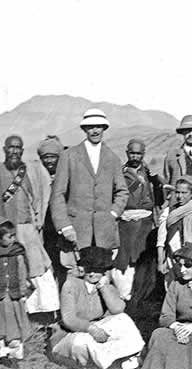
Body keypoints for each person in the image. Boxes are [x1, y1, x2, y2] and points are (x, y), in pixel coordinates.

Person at [50, 247, 145, 369]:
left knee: (124, 320)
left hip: (96, 328)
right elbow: (69, 319)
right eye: (89, 268)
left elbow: (118, 309)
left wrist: (104, 288)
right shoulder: (71, 285)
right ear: (83, 269)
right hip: (70, 335)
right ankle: (114, 367)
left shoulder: (105, 286)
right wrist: (91, 329)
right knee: (82, 342)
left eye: (98, 269)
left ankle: (130, 361)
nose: (93, 273)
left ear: (105, 271)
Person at [49, 108, 129, 271]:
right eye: (90, 127)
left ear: (104, 129)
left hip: (103, 233)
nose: (94, 130)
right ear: (84, 129)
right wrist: (65, 226)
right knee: (74, 276)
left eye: (98, 126)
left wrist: (112, 214)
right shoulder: (69, 156)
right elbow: (57, 194)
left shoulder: (113, 158)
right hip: (75, 231)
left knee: (102, 276)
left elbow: (122, 191)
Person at [0, 135, 57, 315]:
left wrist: (37, 221)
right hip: (4, 230)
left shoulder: (29, 171)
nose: (14, 151)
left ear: (22, 151)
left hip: (27, 227)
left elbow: (37, 198)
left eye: (18, 148)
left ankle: (40, 310)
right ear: (4, 150)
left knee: (37, 267)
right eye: (11, 147)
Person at [113, 139, 164, 302]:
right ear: (127, 153)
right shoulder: (120, 173)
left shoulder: (148, 173)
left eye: (139, 153)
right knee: (125, 259)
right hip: (126, 222)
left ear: (143, 154)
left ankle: (143, 297)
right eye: (132, 153)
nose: (135, 156)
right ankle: (126, 296)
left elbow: (156, 196)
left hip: (145, 222)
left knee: (144, 258)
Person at [157, 177, 192, 287]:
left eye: (184, 193)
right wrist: (160, 261)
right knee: (173, 289)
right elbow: (161, 240)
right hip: (172, 259)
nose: (180, 196)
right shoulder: (168, 212)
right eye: (177, 192)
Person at [0, 217, 31, 368]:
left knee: (15, 324)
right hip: (1, 296)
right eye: (9, 236)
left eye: (14, 236)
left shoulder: (17, 252)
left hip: (14, 295)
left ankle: (15, 354)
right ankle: (1, 353)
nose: (13, 239)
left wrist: (23, 292)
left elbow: (22, 272)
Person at [37, 135, 67, 287]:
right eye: (45, 157)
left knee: (65, 267)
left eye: (52, 157)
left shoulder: (67, 175)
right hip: (46, 230)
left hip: (64, 229)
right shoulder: (38, 177)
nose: (49, 161)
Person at [163, 115, 192, 185]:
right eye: (187, 131)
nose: (190, 134)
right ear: (182, 132)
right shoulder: (171, 156)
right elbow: (167, 181)